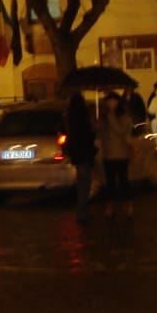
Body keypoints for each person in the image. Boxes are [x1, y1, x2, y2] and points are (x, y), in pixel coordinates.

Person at [98, 89, 134, 216]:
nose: (110, 104)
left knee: (123, 180)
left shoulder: (123, 116)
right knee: (110, 182)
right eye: (109, 101)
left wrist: (111, 116)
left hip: (121, 154)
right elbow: (102, 135)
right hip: (108, 155)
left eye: (113, 101)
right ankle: (110, 205)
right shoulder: (105, 116)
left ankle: (128, 203)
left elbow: (120, 131)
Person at [64, 92, 97, 224]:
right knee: (85, 185)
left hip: (77, 155)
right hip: (85, 154)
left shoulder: (69, 118)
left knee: (81, 185)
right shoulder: (83, 119)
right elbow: (89, 136)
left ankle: (81, 212)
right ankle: (82, 214)